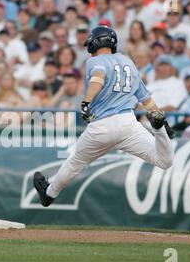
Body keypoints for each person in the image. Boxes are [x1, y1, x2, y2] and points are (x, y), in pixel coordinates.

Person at [33, 26, 175, 207]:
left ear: (94, 43)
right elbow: (145, 98)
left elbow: (98, 77)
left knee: (76, 162)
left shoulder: (95, 61)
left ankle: (49, 194)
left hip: (102, 126)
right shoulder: (128, 61)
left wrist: (86, 102)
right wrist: (160, 118)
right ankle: (158, 129)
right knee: (165, 161)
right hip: (128, 124)